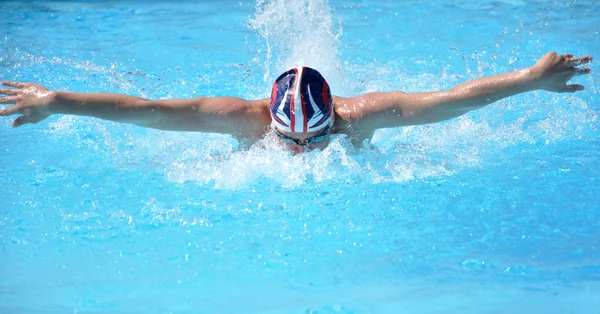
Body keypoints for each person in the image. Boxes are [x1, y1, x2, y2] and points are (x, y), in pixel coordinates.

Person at [0, 52, 592, 153]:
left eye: (317, 136)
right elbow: (146, 111)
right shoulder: (244, 120)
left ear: (334, 115)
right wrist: (58, 101)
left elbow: (448, 102)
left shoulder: (362, 118)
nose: (304, 149)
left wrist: (527, 80)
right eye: (293, 139)